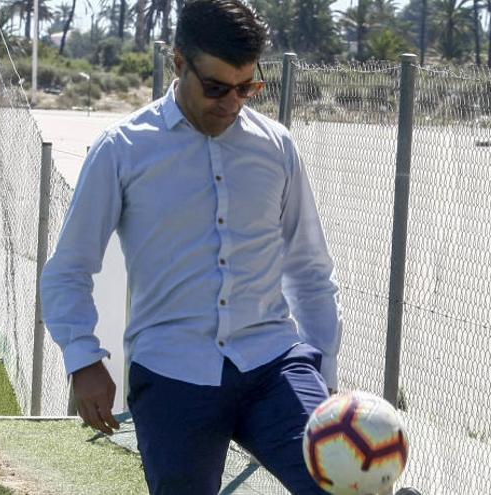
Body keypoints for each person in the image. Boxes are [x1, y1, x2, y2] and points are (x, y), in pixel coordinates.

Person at [39, 0, 342, 493]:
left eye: (247, 88)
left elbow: (309, 270)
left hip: (273, 362)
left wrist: (322, 374)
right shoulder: (122, 149)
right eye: (217, 88)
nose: (232, 103)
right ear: (179, 63)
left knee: (339, 482)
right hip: (172, 369)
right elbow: (68, 269)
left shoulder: (277, 146)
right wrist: (84, 359)